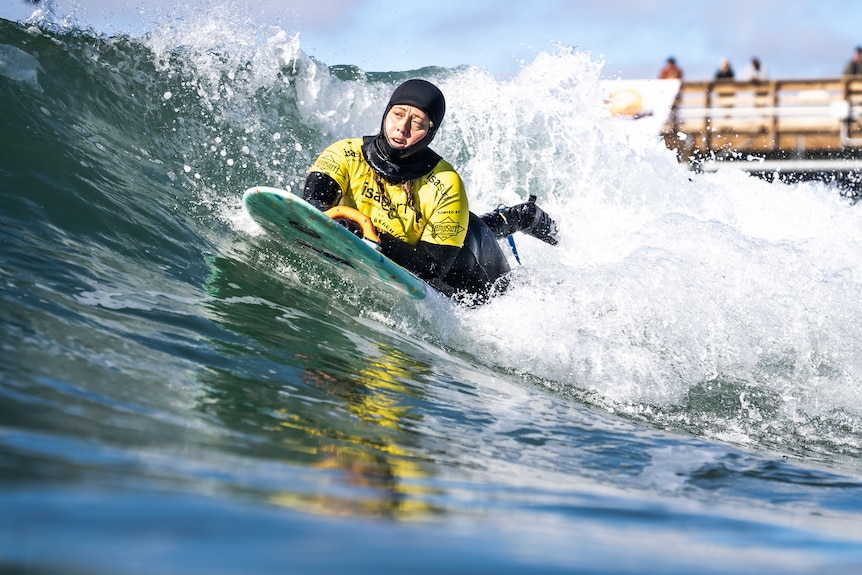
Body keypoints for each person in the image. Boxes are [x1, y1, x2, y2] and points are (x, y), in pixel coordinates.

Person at [302, 78, 558, 302]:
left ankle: (526, 216)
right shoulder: (345, 153)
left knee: (502, 284)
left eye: (417, 122)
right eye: (398, 114)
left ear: (430, 132)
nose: (402, 128)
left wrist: (363, 232)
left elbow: (432, 269)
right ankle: (520, 216)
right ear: (386, 113)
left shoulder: (446, 182)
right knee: (468, 225)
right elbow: (313, 203)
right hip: (438, 233)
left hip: (468, 269)